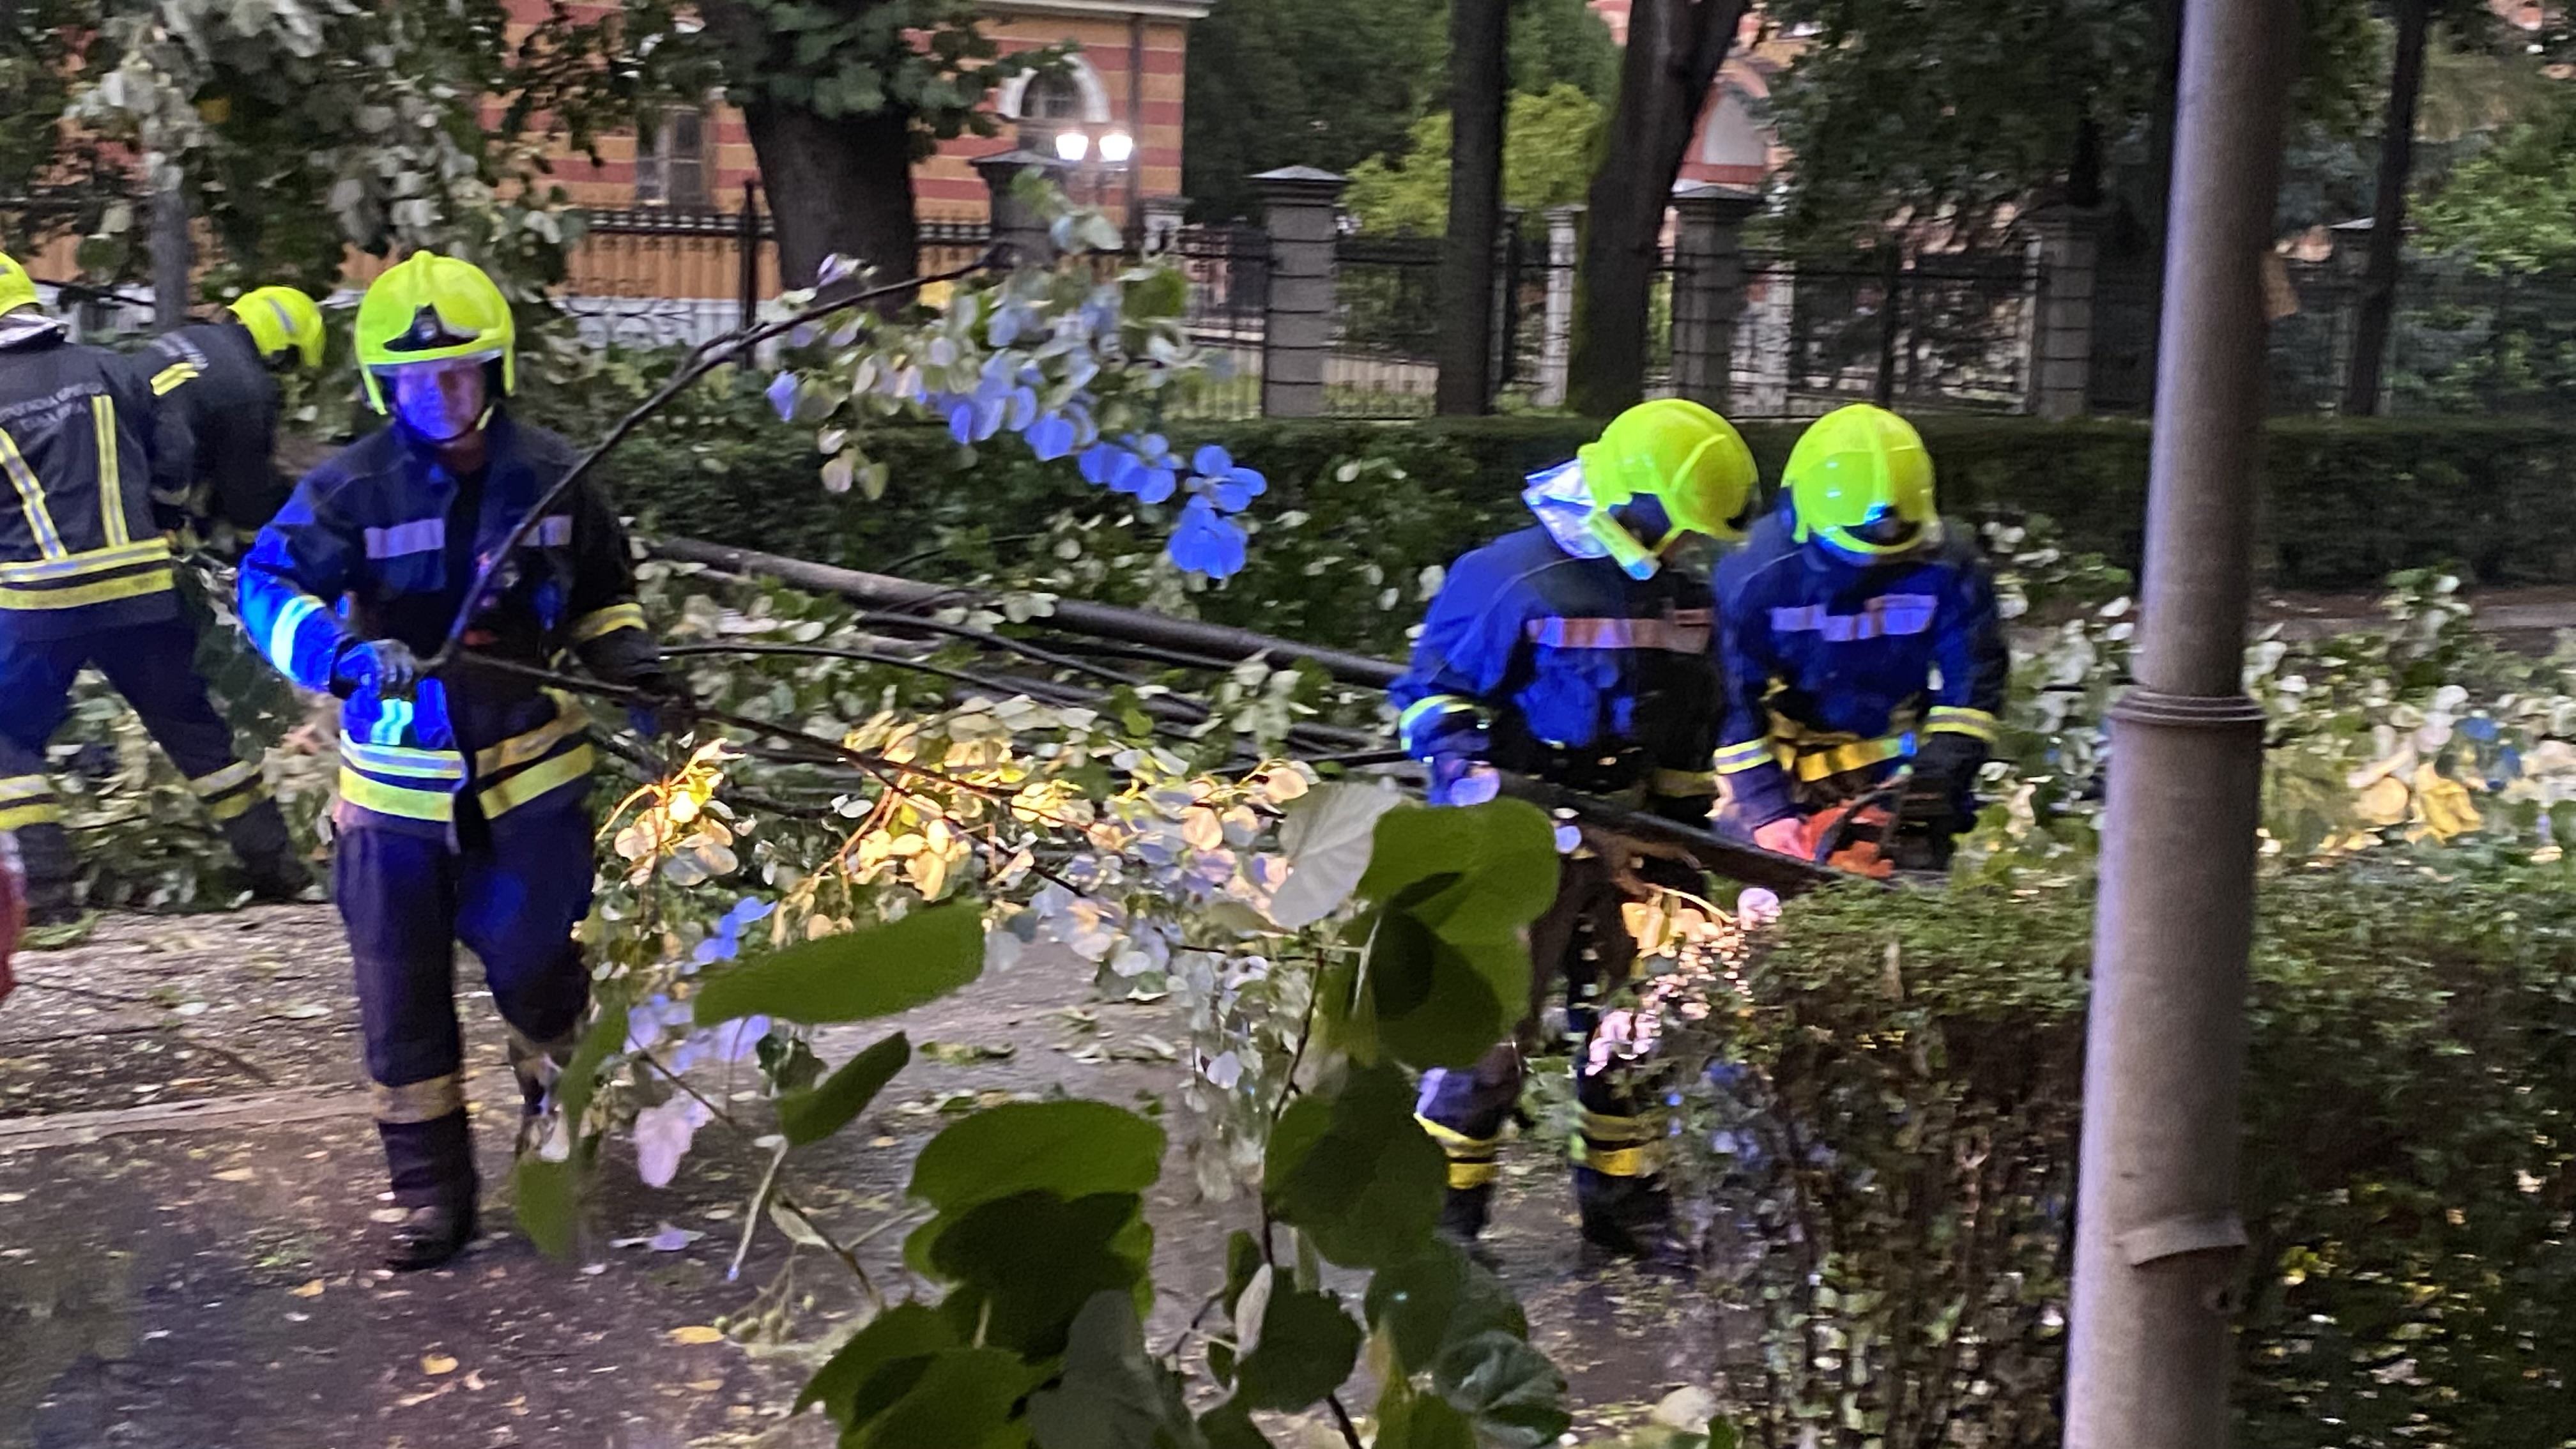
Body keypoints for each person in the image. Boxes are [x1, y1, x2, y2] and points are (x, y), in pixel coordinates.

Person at [239, 250, 671, 1270]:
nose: (440, 393)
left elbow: (607, 592)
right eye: (418, 378)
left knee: (540, 975)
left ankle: (553, 1144)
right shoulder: (350, 488)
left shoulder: (555, 476)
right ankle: (431, 1198)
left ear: (496, 372)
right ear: (384, 384)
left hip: (531, 781)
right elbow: (264, 585)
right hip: (392, 797)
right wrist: (340, 657)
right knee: (402, 1003)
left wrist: (633, 663)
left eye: (461, 372)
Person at [1388, 397, 1757, 1259]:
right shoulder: (1509, 575)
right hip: (1515, 838)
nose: (1687, 547)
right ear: (1636, 502)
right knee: (1485, 1033)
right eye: (1679, 526)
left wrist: (1680, 834)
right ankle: (1445, 1222)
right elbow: (1429, 695)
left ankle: (1624, 1206)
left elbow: (1693, 719)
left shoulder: (1688, 598)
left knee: (1636, 1028)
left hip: (1634, 837)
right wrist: (1465, 762)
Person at [0, 250, 311, 927]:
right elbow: (171, 455)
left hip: (40, 602)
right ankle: (279, 870)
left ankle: (51, 904)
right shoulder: (107, 366)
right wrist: (166, 521)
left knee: (7, 740)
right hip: (145, 588)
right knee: (196, 729)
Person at [1713, 403, 2007, 875]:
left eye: (1893, 554)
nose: (1869, 567)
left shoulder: (1950, 567)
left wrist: (1937, 780)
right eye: (1850, 553)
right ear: (1801, 517)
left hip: (1901, 775)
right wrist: (1766, 810)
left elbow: (1972, 685)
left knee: (1909, 913)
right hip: (1783, 779)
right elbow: (1729, 701)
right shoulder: (1756, 574)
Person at [144, 285, 328, 544]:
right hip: (145, 485)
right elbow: (247, 496)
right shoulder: (249, 390)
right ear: (280, 353)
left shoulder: (193, 335)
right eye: (291, 362)